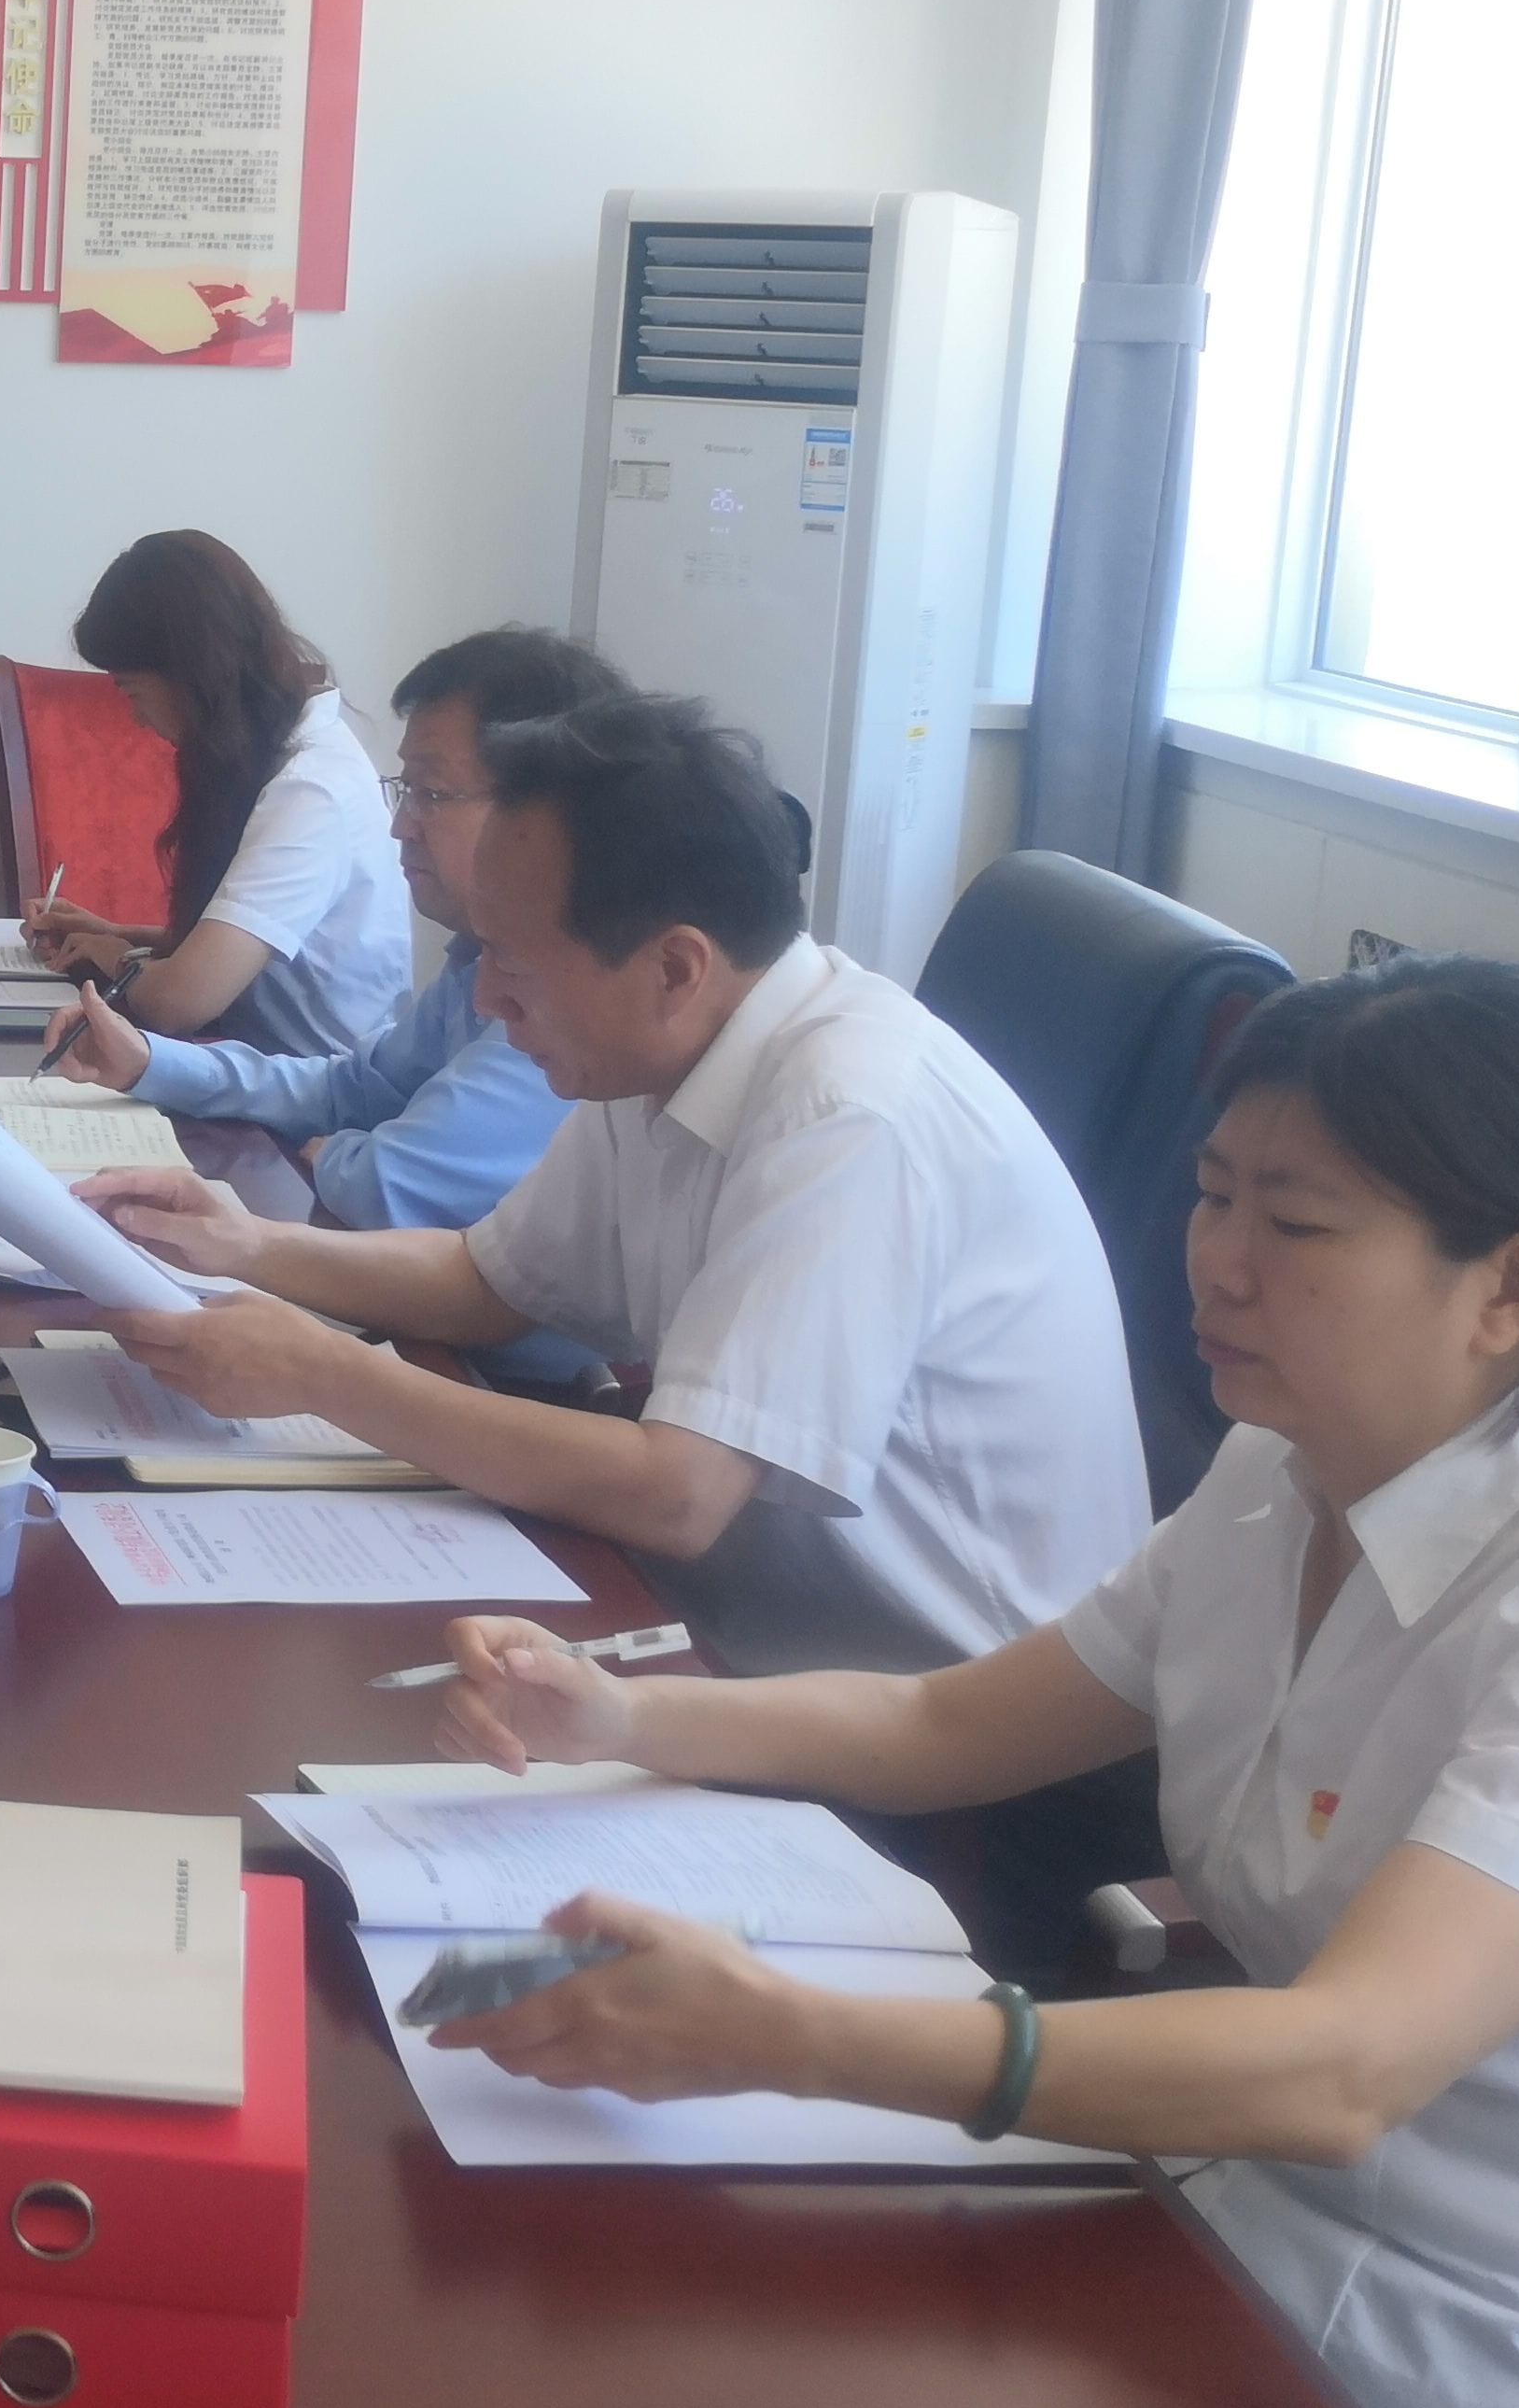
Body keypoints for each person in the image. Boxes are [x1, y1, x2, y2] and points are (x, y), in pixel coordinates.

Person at [397, 951, 1519, 2408]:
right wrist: (618, 1718)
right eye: (1216, 1194)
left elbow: (1347, 2067)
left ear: (1513, 1286)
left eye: (1296, 1223)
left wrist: (788, 2035)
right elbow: (948, 1726)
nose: (1216, 1259)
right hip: (1244, 2280)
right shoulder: (1274, 1476)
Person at [83, 687, 1142, 1686]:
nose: (485, 1001)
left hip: (949, 1718)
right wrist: (250, 1246)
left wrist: (325, 1374)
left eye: (512, 961)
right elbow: (488, 1282)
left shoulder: (848, 1114)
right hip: (751, 1634)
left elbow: (678, 1495)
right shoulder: (653, 1056)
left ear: (674, 968)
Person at [41, 626, 618, 1373]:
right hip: (414, 1335)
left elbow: (386, 1190)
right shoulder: (481, 957)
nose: (399, 826)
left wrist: (334, 1149)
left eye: (432, 794)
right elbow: (352, 1087)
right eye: (404, 791)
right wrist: (152, 1062)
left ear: (542, 816)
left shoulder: (569, 992)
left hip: (503, 1388)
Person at [19, 529, 411, 1062]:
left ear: (193, 674)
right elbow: (235, 953)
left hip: (319, 1087)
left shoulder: (311, 790)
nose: (137, 718)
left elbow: (181, 1003)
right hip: (256, 1060)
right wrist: (114, 934)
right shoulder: (268, 754)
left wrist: (112, 953)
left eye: (132, 691)